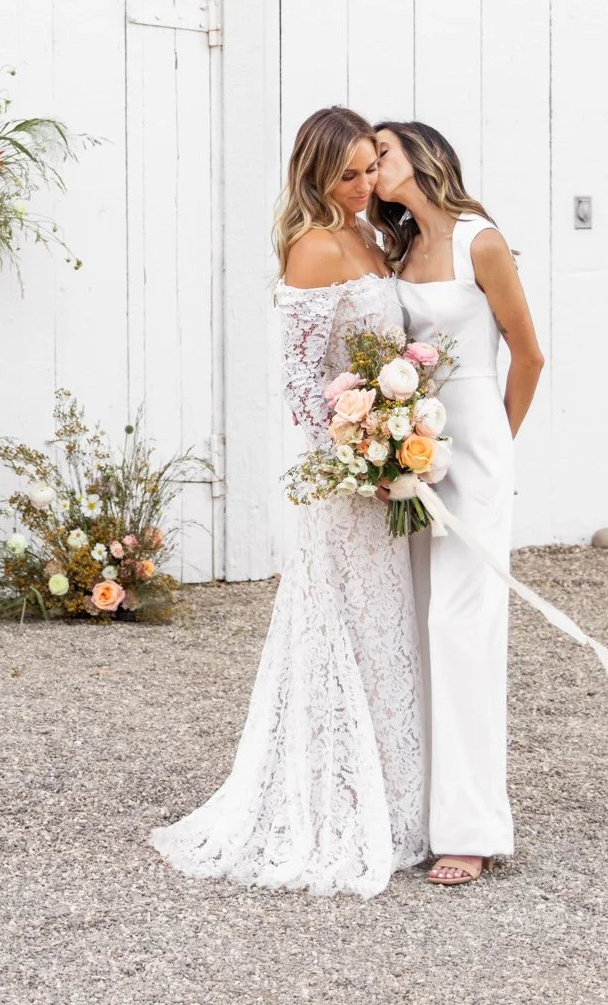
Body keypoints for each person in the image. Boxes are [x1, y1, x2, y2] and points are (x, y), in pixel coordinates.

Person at [149, 106, 427, 897]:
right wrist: (363, 453)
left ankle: (395, 805)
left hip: (383, 467)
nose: (365, 183)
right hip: (340, 481)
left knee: (384, 634)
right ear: (314, 175)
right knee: (341, 627)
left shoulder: (374, 237)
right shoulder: (313, 247)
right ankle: (328, 802)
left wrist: (401, 436)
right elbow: (302, 388)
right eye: (347, 173)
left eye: (371, 167)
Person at [371, 120, 544, 885]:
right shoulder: (399, 249)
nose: (371, 164)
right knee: (416, 619)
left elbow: (529, 352)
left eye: (383, 151)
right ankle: (418, 811)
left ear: (422, 156)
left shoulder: (481, 241)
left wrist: (496, 447)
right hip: (414, 444)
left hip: (472, 439)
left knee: (462, 622)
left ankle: (472, 827)